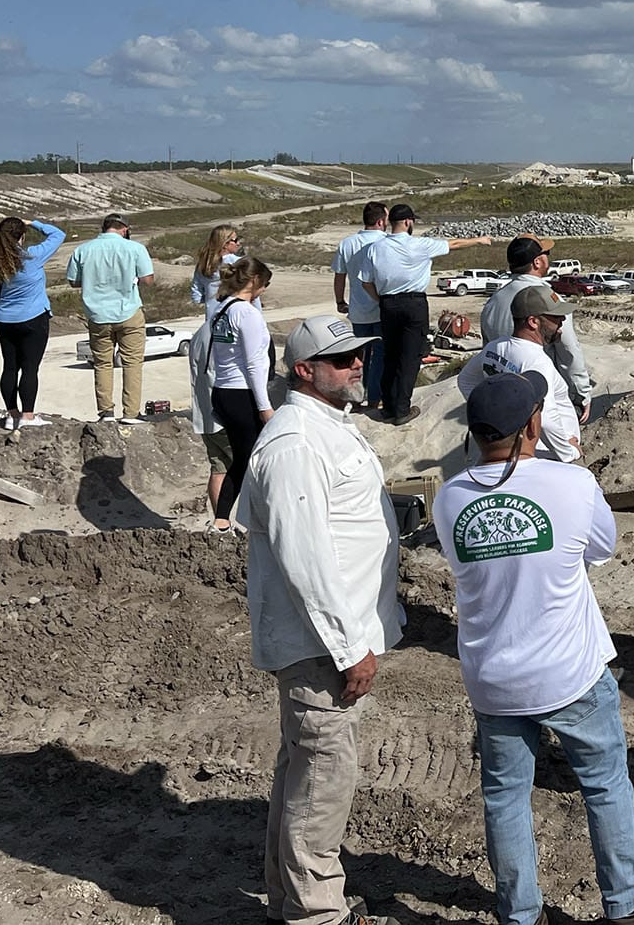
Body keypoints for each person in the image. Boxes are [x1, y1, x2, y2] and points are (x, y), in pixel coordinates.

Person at [434, 371, 634, 925]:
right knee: (605, 786)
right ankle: (625, 906)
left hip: (493, 678)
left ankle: (520, 915)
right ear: (532, 425)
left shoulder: (448, 500)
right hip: (569, 672)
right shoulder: (571, 484)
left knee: (504, 798)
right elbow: (601, 548)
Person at [238, 314, 397, 925]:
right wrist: (348, 644)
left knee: (303, 770)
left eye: (359, 354)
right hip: (320, 644)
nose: (357, 364)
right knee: (323, 780)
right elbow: (305, 556)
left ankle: (291, 903)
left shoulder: (327, 427)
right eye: (343, 358)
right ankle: (316, 914)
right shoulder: (296, 444)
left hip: (326, 637)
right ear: (304, 370)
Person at [357, 204, 490, 426]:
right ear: (408, 222)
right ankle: (401, 410)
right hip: (414, 304)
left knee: (390, 356)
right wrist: (479, 240)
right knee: (409, 358)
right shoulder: (420, 244)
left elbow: (365, 282)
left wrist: (381, 300)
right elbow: (454, 244)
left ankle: (388, 407)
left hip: (388, 304)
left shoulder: (375, 247)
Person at [456, 286, 583, 462]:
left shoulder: (495, 347)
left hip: (517, 448)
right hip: (543, 454)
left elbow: (465, 380)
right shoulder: (537, 361)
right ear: (533, 321)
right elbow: (546, 418)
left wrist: (493, 414)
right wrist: (568, 452)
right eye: (555, 317)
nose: (562, 320)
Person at [481, 236, 595, 417]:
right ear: (537, 262)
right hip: (541, 394)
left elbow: (486, 351)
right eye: (546, 254)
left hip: (502, 395)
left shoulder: (493, 302)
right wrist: (581, 393)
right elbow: (568, 351)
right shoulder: (549, 301)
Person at [64, 213, 156, 424]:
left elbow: (73, 281)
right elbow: (148, 280)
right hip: (129, 311)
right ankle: (131, 413)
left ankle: (106, 412)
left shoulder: (83, 249)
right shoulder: (135, 249)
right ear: (124, 229)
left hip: (97, 314)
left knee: (103, 364)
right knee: (132, 363)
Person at [205, 256, 276, 532]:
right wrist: (264, 406)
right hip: (242, 394)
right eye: (266, 284)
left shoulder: (220, 309)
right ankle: (259, 520)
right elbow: (255, 362)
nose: (265, 290)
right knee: (256, 460)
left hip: (222, 391)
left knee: (241, 459)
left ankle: (223, 519)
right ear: (255, 281)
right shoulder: (246, 314)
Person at [0, 214, 66, 432]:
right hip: (34, 318)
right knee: (29, 368)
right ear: (22, 237)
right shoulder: (32, 257)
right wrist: (32, 223)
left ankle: (12, 415)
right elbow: (58, 234)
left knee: (9, 367)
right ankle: (28, 416)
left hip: (5, 320)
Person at [331, 202, 389, 412]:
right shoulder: (386, 242)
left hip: (358, 311)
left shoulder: (347, 243)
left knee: (357, 358)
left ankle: (355, 399)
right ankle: (375, 398)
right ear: (381, 221)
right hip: (382, 309)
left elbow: (340, 277)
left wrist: (340, 301)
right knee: (380, 357)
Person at [191, 224, 242, 307]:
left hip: (213, 314)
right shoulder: (239, 262)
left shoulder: (204, 264)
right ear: (225, 244)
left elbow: (196, 294)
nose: (238, 243)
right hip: (235, 311)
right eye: (235, 240)